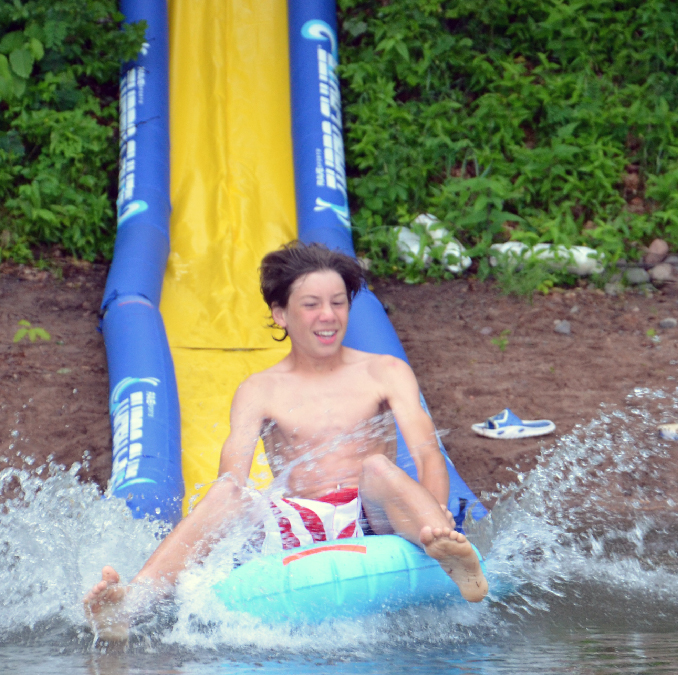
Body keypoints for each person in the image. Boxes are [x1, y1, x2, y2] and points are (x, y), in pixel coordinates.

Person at [84, 241, 487, 638]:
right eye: (311, 304)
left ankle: (446, 550)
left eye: (338, 302)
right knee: (228, 494)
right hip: (296, 521)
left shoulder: (384, 371)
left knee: (378, 466)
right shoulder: (260, 389)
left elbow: (427, 453)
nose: (328, 316)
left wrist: (435, 508)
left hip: (371, 515)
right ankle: (132, 603)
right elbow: (232, 478)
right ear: (281, 314)